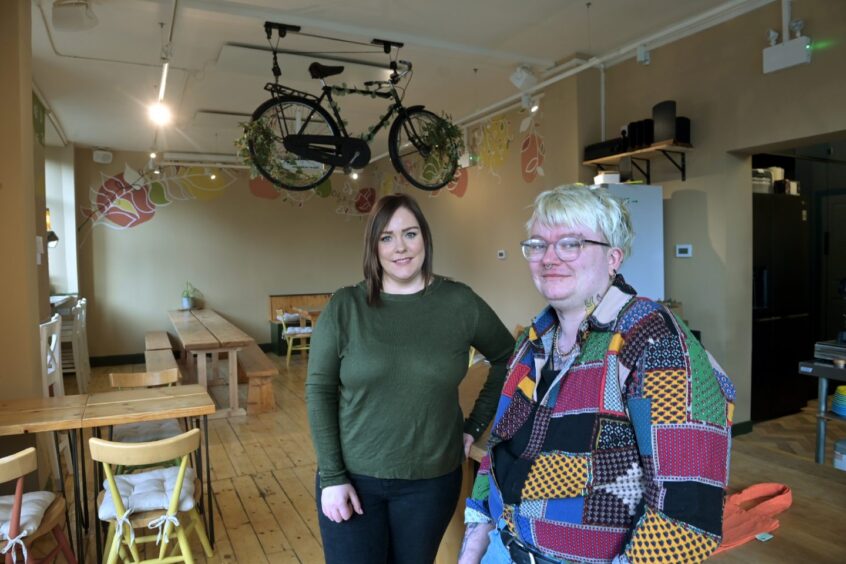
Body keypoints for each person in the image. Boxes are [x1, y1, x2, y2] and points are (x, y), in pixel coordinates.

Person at [459, 184, 735, 564]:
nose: (549, 258)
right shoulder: (534, 339)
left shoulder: (652, 339)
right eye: (538, 244)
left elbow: (686, 517)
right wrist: (476, 535)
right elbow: (501, 446)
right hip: (503, 548)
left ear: (613, 258)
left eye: (571, 243)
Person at [307, 193, 516, 564]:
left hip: (431, 482)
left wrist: (475, 424)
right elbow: (319, 391)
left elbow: (508, 357)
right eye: (386, 237)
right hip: (353, 479)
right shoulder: (346, 307)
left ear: (425, 239)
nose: (400, 247)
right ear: (373, 246)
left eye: (410, 234)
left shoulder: (459, 303)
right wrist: (332, 476)